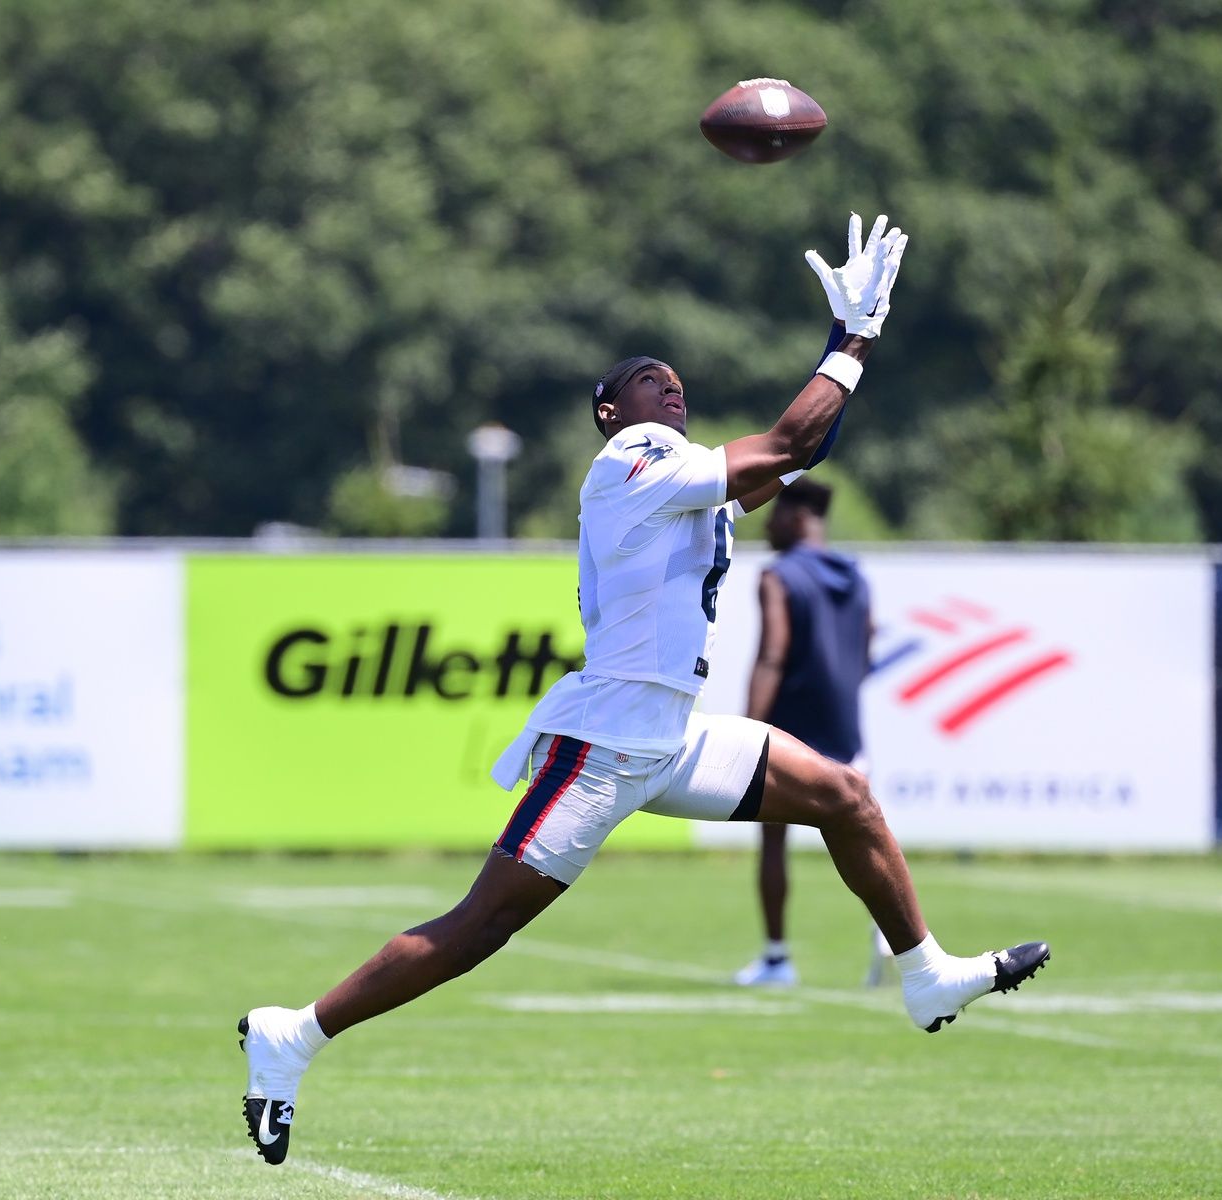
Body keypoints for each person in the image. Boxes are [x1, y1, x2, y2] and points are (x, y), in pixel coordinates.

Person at [235, 214, 1049, 1167]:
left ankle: (926, 975)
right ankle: (290, 1037)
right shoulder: (633, 460)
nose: (669, 382)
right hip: (606, 743)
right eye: (644, 380)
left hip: (670, 734)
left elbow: (796, 452)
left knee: (845, 796)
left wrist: (840, 341)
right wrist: (857, 342)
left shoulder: (679, 478)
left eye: (676, 381)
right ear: (610, 414)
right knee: (481, 926)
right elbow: (788, 436)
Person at [729, 477, 886, 990]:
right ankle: (892, 941)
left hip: (790, 735)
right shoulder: (857, 577)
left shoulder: (778, 576)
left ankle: (776, 959)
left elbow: (773, 652)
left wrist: (748, 727)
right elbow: (866, 649)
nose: (767, 526)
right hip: (845, 732)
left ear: (797, 518)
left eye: (774, 516)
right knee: (865, 838)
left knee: (772, 841)